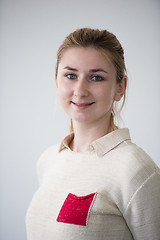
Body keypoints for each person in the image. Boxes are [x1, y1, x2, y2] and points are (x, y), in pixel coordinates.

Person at [26, 28, 160, 240]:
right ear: (56, 82)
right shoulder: (49, 159)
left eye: (96, 78)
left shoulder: (137, 170)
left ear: (120, 88)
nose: (80, 90)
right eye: (70, 75)